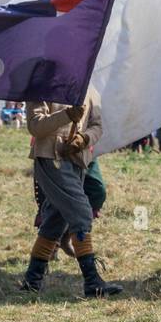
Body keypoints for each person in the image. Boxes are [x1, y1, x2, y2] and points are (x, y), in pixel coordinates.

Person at [19, 87, 122, 296]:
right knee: (82, 213)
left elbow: (96, 126)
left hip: (77, 159)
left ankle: (32, 279)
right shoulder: (43, 83)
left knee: (55, 221)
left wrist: (83, 139)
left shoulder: (89, 88)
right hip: (51, 157)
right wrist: (66, 115)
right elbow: (35, 126)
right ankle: (92, 282)